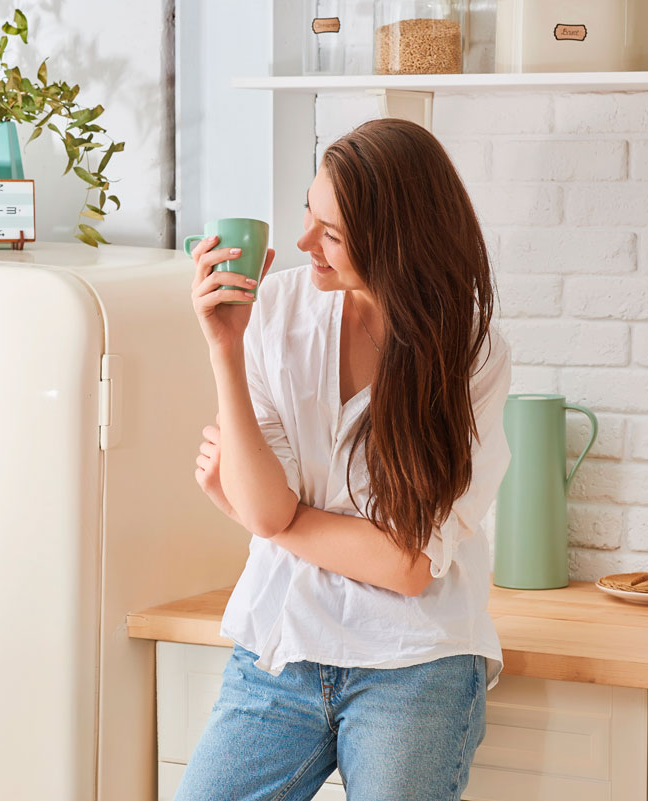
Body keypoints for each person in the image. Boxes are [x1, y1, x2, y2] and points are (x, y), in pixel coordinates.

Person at [180, 118, 512, 801]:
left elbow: (406, 565)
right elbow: (270, 507)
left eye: (329, 233)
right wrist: (225, 348)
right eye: (310, 211)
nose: (303, 242)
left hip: (414, 659)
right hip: (282, 645)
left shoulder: (471, 352)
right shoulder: (273, 310)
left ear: (395, 242)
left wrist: (269, 519)